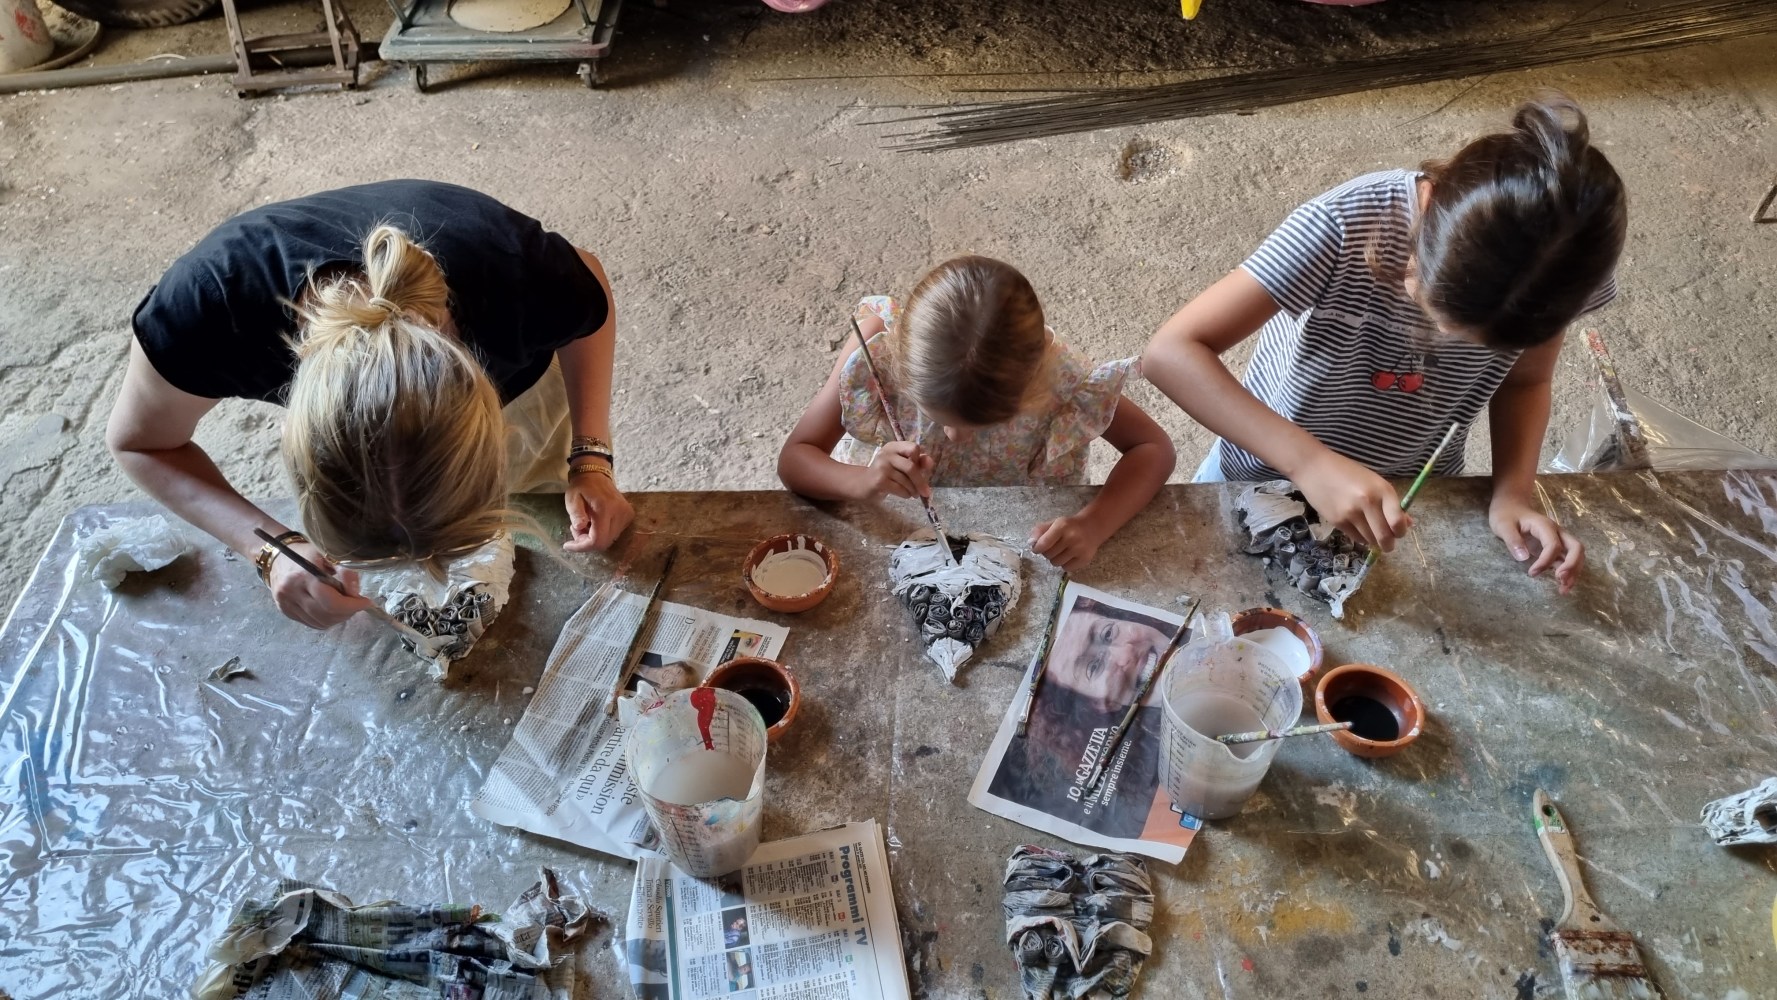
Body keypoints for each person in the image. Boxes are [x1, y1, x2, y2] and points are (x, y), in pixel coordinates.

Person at [1143, 96, 1626, 595]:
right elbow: (1170, 353)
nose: (1444, 341)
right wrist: (1307, 463)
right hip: (1261, 470)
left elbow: (1527, 380)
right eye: (1440, 313)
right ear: (1429, 215)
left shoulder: (1560, 277)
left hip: (1406, 485)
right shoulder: (1343, 223)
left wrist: (1513, 494)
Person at [106, 180, 634, 630]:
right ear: (299, 432)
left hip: (504, 329)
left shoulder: (517, 276)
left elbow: (590, 295)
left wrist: (590, 457)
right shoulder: (205, 309)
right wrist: (268, 548)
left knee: (536, 510)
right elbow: (140, 444)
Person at [777, 256, 1176, 570]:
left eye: (983, 426)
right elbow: (797, 458)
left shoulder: (1062, 377)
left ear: (1035, 387)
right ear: (899, 364)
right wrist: (863, 481)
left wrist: (1094, 524)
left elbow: (1152, 448)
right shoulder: (878, 348)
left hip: (1018, 533)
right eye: (937, 417)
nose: (953, 438)